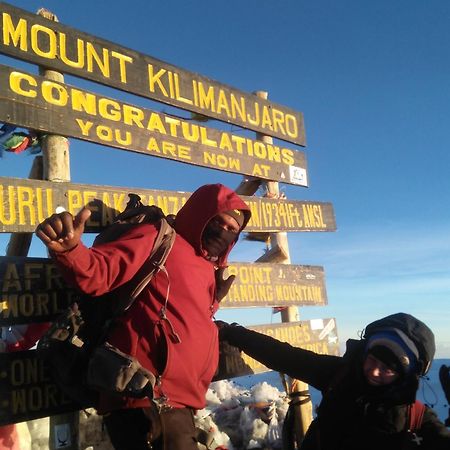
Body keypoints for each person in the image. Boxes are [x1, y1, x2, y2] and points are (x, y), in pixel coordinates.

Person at [36, 183, 251, 450]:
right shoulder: (159, 237)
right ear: (199, 215)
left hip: (179, 402)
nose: (223, 231)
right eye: (218, 221)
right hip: (143, 397)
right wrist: (70, 250)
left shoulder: (207, 267)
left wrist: (214, 300)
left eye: (232, 229)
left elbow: (177, 316)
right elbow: (100, 273)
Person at [219, 312, 450, 449]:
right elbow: (284, 356)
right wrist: (234, 333)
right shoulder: (341, 374)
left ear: (406, 375)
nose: (375, 372)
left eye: (388, 368)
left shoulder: (417, 420)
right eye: (373, 359)